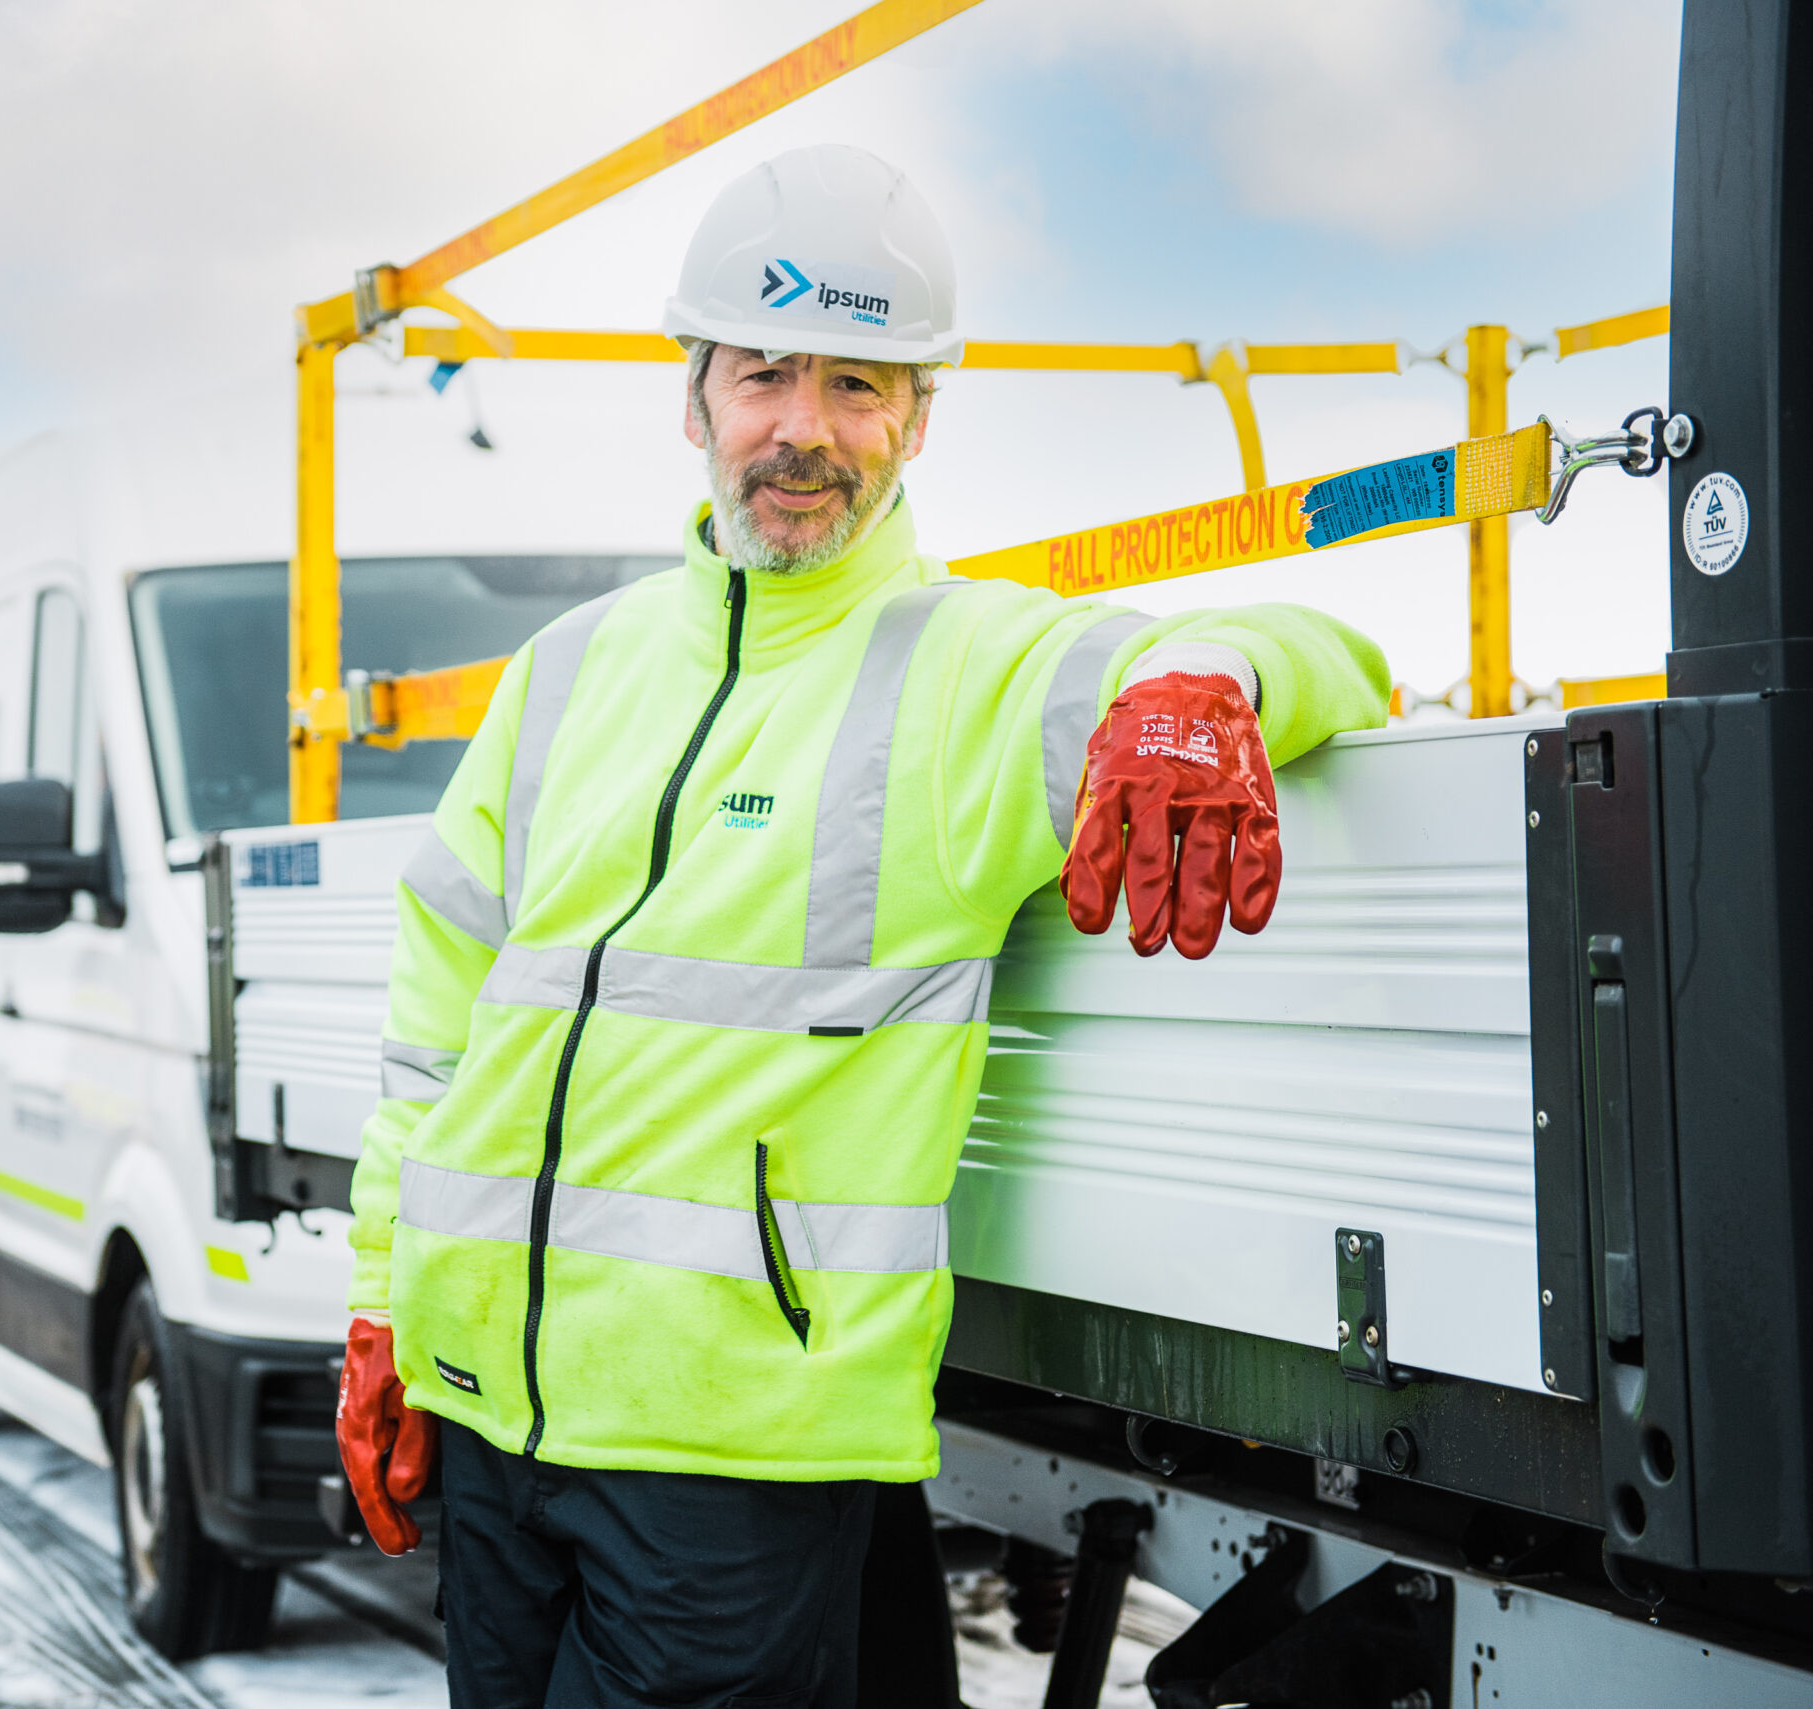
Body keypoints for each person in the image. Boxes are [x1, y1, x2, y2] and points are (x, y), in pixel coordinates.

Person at [333, 144, 1393, 1709]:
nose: (805, 433)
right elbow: (436, 1025)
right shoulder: (569, 672)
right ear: (693, 396)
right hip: (492, 1427)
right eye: (766, 376)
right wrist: (383, 1298)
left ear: (917, 421)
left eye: (859, 385)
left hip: (734, 1460)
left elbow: (1327, 649)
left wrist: (1202, 682)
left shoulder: (961, 674)